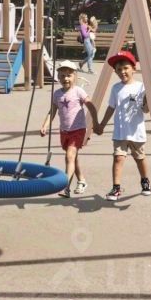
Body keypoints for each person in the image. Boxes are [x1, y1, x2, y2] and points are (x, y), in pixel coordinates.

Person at [95, 50, 151, 202]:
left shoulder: (142, 87)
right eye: (119, 69)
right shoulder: (116, 88)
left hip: (136, 132)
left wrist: (148, 99)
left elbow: (146, 110)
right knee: (118, 158)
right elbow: (111, 107)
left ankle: (145, 181)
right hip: (120, 133)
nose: (122, 72)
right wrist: (102, 124)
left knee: (140, 158)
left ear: (134, 68)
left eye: (125, 68)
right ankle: (116, 187)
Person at [40, 60, 97, 197]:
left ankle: (65, 187)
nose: (66, 78)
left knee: (69, 156)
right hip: (64, 131)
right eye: (62, 76)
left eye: (69, 75)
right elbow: (52, 111)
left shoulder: (78, 91)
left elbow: (90, 105)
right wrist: (45, 125)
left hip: (78, 130)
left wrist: (96, 122)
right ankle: (82, 180)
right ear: (58, 77)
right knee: (73, 158)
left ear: (75, 76)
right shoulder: (57, 94)